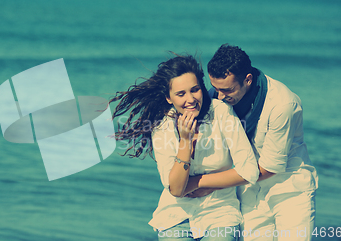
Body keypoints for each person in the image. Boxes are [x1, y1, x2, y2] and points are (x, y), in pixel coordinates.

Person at [110, 54, 260, 240]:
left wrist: (200, 183)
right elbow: (176, 188)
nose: (190, 99)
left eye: (195, 90)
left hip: (220, 213)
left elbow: (249, 171)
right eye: (181, 94)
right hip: (175, 215)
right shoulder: (162, 125)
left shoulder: (221, 112)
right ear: (168, 98)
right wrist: (185, 141)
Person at [202, 44, 318, 241]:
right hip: (248, 189)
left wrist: (204, 184)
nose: (219, 96)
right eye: (215, 88)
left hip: (289, 188)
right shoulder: (217, 96)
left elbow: (269, 167)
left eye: (227, 90)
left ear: (248, 79)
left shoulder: (282, 104)